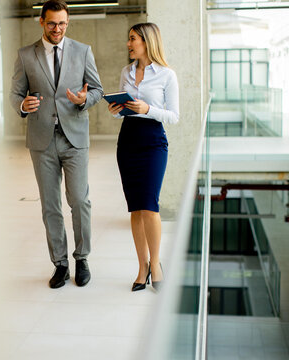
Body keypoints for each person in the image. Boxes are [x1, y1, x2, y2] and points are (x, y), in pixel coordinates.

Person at [9, 0, 103, 289]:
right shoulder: (26, 55)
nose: (58, 29)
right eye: (52, 23)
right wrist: (23, 105)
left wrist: (83, 100)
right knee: (50, 206)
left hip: (74, 137)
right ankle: (60, 264)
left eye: (63, 23)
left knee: (79, 200)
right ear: (41, 22)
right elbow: (15, 94)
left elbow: (97, 89)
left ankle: (82, 258)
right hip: (42, 140)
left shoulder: (82, 51)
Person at [107, 23, 179, 292]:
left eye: (133, 39)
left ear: (147, 42)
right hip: (128, 140)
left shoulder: (166, 75)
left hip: (152, 142)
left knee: (150, 206)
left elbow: (173, 116)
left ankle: (157, 264)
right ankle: (142, 266)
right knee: (135, 208)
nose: (129, 44)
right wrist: (116, 109)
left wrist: (148, 108)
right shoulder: (126, 72)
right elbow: (120, 112)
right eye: (129, 39)